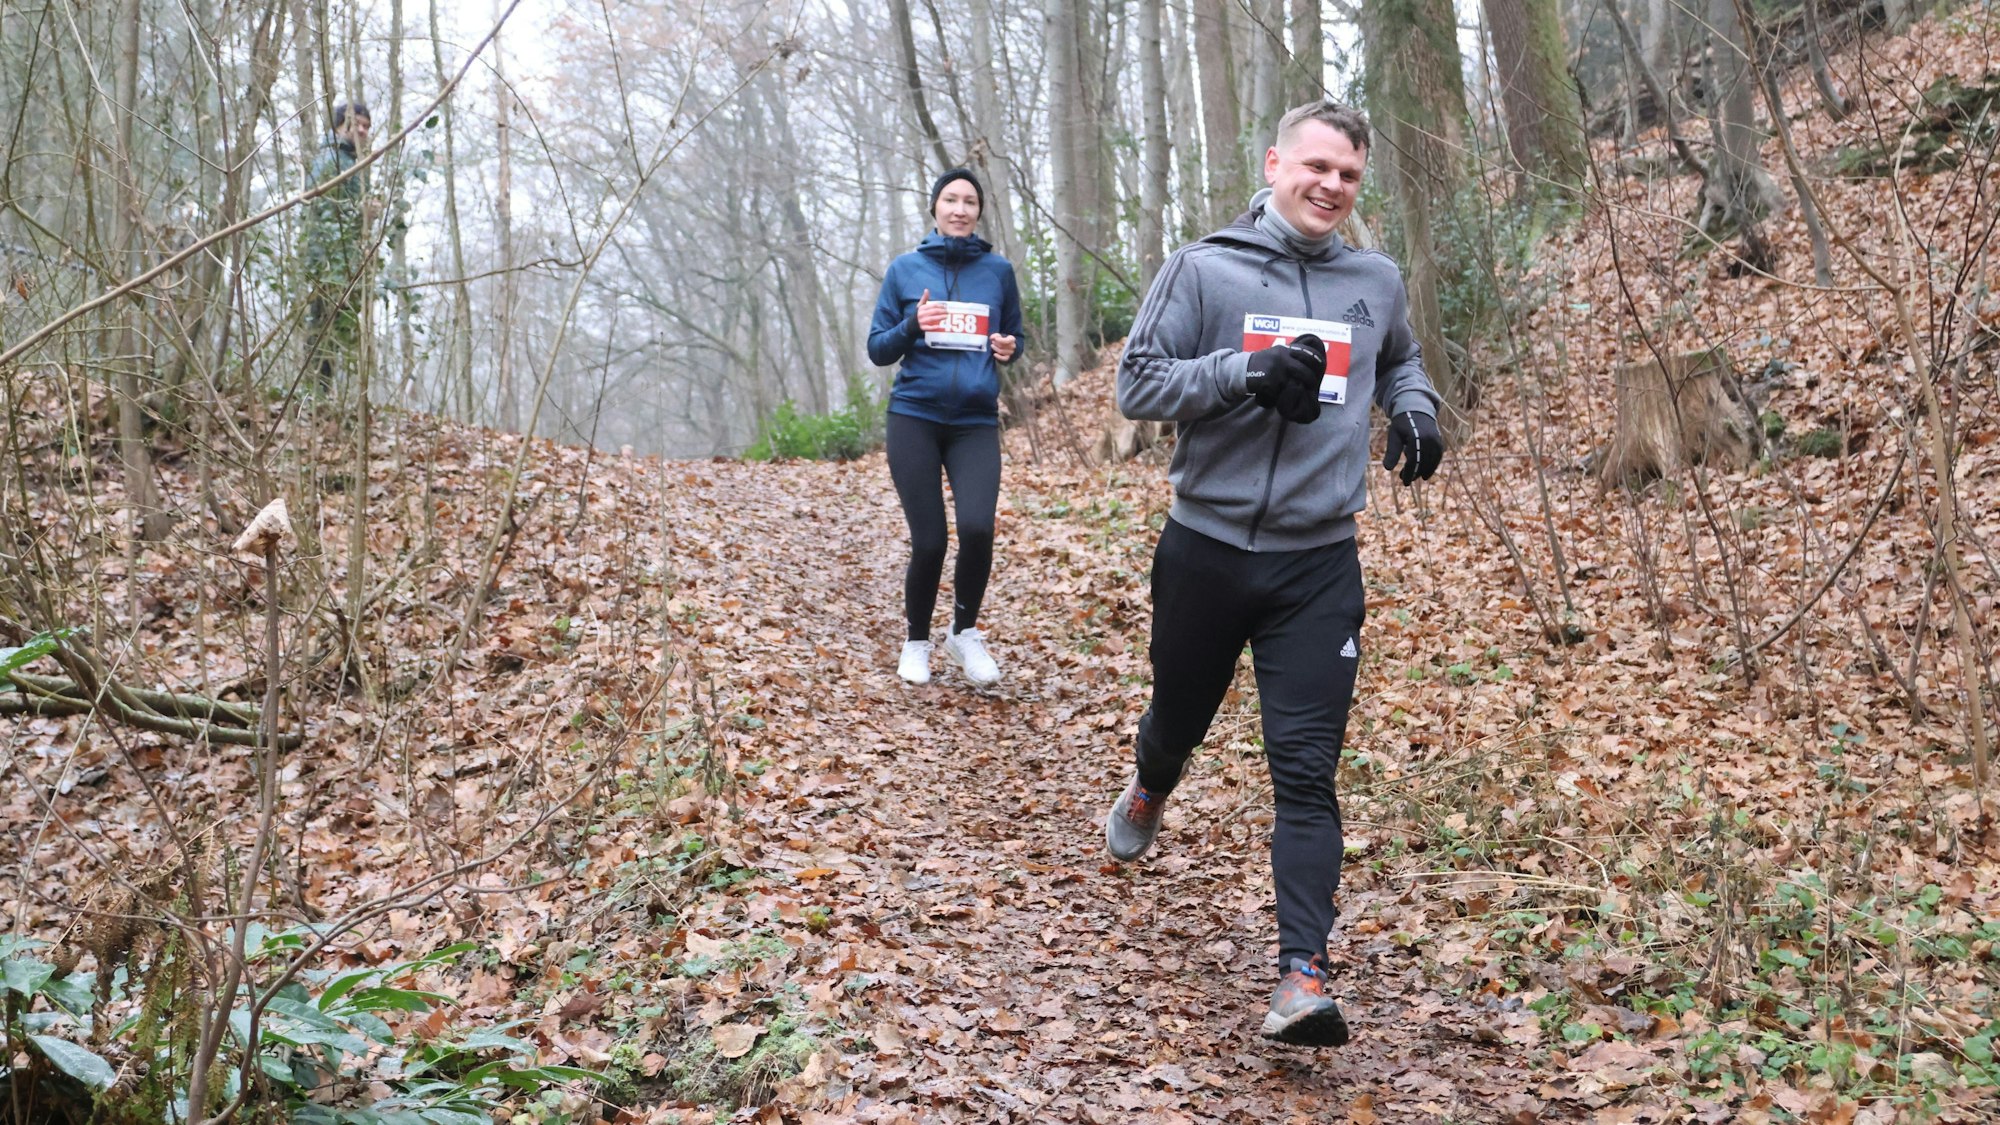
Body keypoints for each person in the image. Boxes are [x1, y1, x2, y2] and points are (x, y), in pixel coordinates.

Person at [1106, 99, 1445, 1047]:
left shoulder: (1374, 280)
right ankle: (1150, 782)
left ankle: (1302, 975)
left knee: (1306, 771)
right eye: (1317, 167)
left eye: (1348, 175)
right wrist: (1242, 374)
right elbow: (1138, 382)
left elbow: (1402, 363)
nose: (1331, 186)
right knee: (1178, 717)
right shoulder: (1203, 267)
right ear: (1274, 162)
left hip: (1316, 563)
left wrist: (1414, 411)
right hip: (1206, 549)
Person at [867, 169, 1024, 687]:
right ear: (935, 208)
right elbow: (877, 348)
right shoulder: (905, 269)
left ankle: (962, 632)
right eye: (950, 200)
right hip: (914, 416)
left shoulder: (997, 271)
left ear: (980, 211)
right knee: (930, 540)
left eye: (970, 201)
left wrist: (1009, 348)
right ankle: (916, 641)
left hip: (974, 420)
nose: (960, 209)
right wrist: (915, 324)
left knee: (978, 528)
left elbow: (1015, 336)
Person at [303, 100, 380, 390]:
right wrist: (361, 212)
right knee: (323, 324)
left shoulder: (353, 162)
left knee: (337, 324)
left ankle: (322, 394)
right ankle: (315, 395)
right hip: (327, 257)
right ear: (339, 125)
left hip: (344, 256)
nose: (362, 131)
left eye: (366, 126)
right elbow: (323, 208)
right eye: (357, 124)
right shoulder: (330, 159)